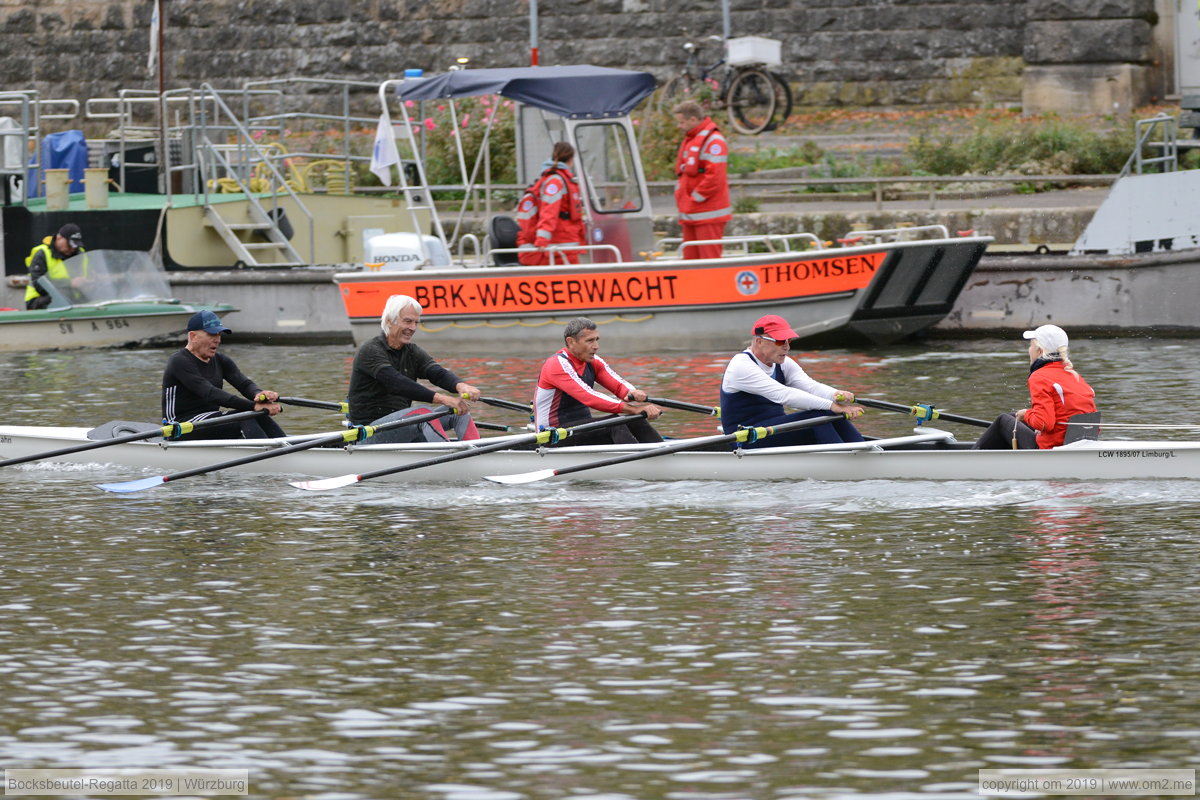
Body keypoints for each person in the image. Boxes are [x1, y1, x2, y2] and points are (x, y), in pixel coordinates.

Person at [347, 294, 481, 444]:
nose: (413, 328)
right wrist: (445, 399)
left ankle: (476, 453)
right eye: (408, 321)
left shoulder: (412, 351)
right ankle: (449, 455)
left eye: (416, 322)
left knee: (460, 411)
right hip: (369, 433)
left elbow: (437, 373)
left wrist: (461, 386)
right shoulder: (370, 350)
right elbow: (397, 383)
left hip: (400, 425)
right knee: (423, 413)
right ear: (389, 321)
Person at [719, 314, 865, 449]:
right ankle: (844, 457)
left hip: (774, 430)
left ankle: (861, 449)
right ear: (759, 341)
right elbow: (785, 395)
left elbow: (810, 386)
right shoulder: (741, 365)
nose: (787, 347)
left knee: (828, 414)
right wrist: (833, 406)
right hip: (745, 438)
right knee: (818, 415)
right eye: (780, 341)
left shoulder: (783, 363)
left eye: (789, 341)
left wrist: (835, 394)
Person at [535, 317, 664, 446]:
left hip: (580, 429)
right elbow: (589, 397)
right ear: (571, 341)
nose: (596, 346)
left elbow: (618, 385)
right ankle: (639, 457)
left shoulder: (592, 361)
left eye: (596, 340)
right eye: (590, 341)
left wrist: (631, 392)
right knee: (614, 423)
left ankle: (663, 452)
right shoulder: (556, 365)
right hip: (552, 435)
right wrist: (634, 409)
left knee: (634, 420)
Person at [162, 309, 286, 440]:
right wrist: (253, 406)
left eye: (219, 334)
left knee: (258, 415)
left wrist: (260, 395)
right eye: (212, 334)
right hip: (179, 426)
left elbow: (244, 384)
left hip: (208, 420)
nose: (217, 340)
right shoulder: (179, 361)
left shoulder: (221, 360)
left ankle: (287, 446)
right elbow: (210, 393)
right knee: (244, 417)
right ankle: (266, 450)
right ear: (193, 336)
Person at [972, 324, 1097, 450]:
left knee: (1003, 421)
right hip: (1076, 443)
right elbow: (1095, 426)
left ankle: (972, 456)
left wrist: (1027, 414)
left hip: (1049, 448)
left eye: (1030, 346)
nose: (1029, 350)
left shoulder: (1040, 377)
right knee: (1013, 417)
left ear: (1040, 351)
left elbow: (1043, 423)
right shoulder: (1075, 376)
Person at [673, 100, 731, 261]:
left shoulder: (714, 142)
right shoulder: (692, 139)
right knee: (690, 261)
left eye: (681, 122)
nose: (679, 126)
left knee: (709, 260)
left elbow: (715, 177)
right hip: (691, 211)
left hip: (707, 212)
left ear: (693, 119)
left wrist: (695, 198)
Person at [516, 141, 586, 266]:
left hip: (565, 241)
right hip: (560, 242)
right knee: (570, 275)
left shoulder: (559, 179)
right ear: (571, 159)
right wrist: (542, 240)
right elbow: (549, 211)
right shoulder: (556, 181)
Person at [25, 223, 86, 309]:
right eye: (70, 244)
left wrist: (91, 282)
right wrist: (69, 283)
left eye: (75, 245)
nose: (72, 248)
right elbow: (39, 283)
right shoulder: (42, 253)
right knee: (64, 295)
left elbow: (88, 275)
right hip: (40, 299)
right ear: (59, 238)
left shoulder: (80, 253)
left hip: (74, 299)